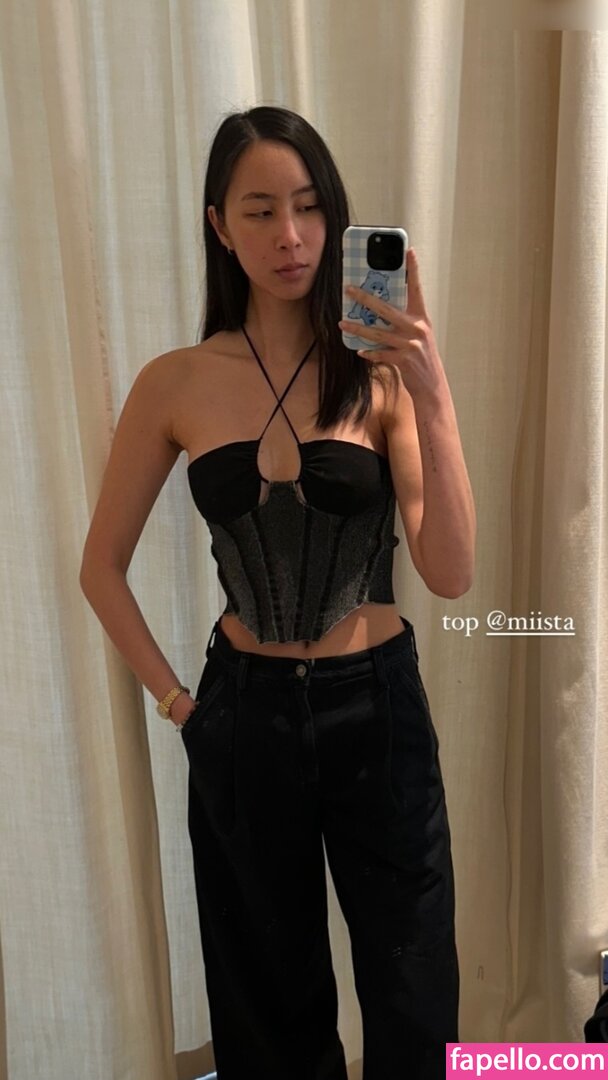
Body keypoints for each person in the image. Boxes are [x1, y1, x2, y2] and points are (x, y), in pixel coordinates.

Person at [80, 105, 476, 1080]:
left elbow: (450, 572)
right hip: (243, 716)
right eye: (259, 211)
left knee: (413, 989)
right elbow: (100, 567)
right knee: (265, 1008)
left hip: (375, 709)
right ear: (220, 225)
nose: (289, 235)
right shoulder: (174, 382)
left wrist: (430, 390)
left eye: (307, 207)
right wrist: (182, 706)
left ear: (334, 217)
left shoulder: (378, 376)